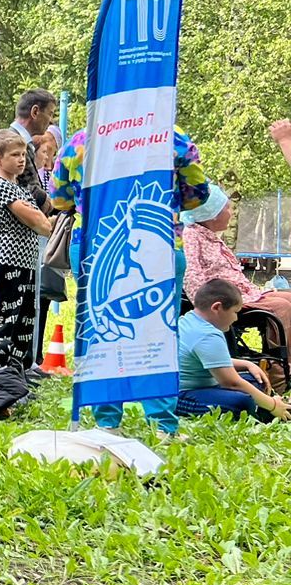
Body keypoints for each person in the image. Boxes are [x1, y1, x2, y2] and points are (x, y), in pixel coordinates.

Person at [51, 123, 211, 436]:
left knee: (102, 327)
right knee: (158, 329)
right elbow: (198, 195)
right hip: (161, 244)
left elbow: (59, 199)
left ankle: (105, 422)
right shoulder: (171, 134)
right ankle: (163, 424)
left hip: (94, 246)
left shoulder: (81, 141)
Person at [180, 187, 291, 385]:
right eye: (228, 208)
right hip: (224, 300)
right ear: (212, 214)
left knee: (288, 297)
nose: (231, 212)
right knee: (283, 308)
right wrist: (207, 306)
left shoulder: (208, 235)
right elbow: (192, 277)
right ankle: (279, 375)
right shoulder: (191, 236)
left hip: (245, 293)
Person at [0, 130, 54, 368]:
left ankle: (15, 374)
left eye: (23, 154)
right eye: (14, 155)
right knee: (2, 321)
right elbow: (41, 224)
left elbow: (42, 221)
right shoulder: (0, 187)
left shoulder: (21, 189)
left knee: (23, 323)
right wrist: (49, 221)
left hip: (25, 263)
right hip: (6, 263)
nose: (21, 160)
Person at [178, 279, 289, 423]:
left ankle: (262, 405)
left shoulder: (189, 319)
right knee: (242, 403)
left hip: (206, 384)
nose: (236, 318)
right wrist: (273, 406)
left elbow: (212, 361)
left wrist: (247, 364)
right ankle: (269, 408)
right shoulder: (207, 335)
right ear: (217, 308)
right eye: (235, 312)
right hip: (183, 395)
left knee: (256, 380)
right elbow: (231, 383)